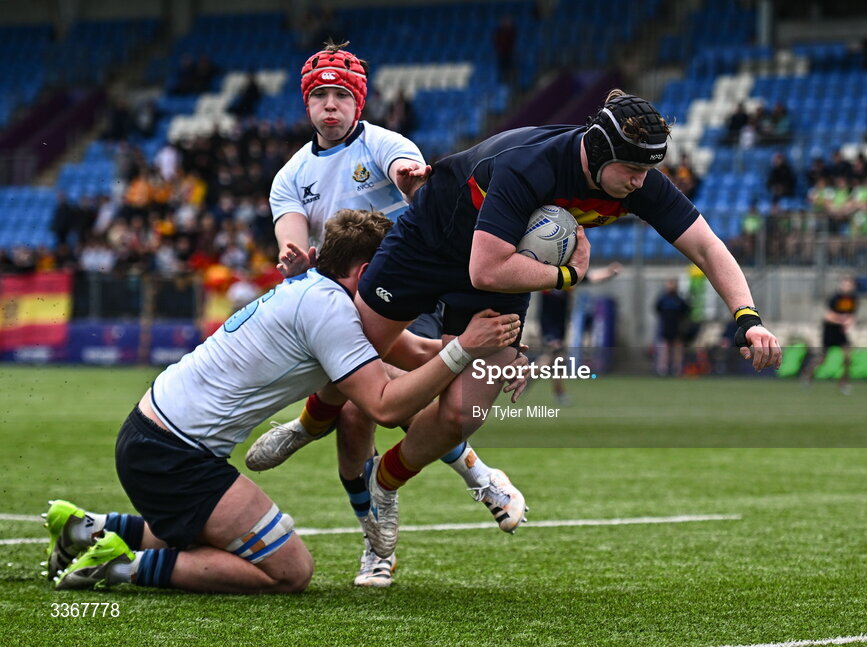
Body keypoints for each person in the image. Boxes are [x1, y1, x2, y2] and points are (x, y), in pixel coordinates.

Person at [343, 89, 782, 559]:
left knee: (461, 416)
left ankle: (383, 484)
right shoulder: (532, 164)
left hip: (499, 267)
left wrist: (748, 317)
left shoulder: (637, 178)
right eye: (633, 171)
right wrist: (569, 275)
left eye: (646, 171)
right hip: (432, 242)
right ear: (597, 152)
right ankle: (308, 424)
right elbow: (485, 268)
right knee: (353, 355)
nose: (640, 183)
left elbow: (707, 247)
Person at [44, 209, 521, 593]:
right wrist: (463, 349)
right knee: (290, 571)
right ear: (367, 272)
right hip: (175, 455)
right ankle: (121, 567)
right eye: (397, 270)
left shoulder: (320, 293)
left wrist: (495, 358)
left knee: (196, 529)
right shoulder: (330, 312)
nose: (405, 281)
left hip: (155, 436)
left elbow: (418, 352)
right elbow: (385, 406)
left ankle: (88, 528)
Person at [248, 42, 526, 588]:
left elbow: (406, 169)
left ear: (358, 103)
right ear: (307, 104)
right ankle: (394, 526)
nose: (331, 105)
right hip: (332, 302)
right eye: (320, 96)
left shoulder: (384, 143)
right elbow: (290, 230)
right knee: (368, 414)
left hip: (404, 295)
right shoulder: (291, 174)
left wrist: (409, 179)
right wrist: (291, 253)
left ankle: (312, 429)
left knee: (369, 410)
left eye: (340, 96)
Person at [536, 262, 622, 404]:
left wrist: (609, 272)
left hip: (561, 325)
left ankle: (544, 386)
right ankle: (529, 379)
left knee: (555, 360)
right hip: (549, 325)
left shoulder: (568, 277)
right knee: (556, 358)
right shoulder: (547, 276)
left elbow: (591, 278)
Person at [802, 275, 857, 394]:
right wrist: (841, 320)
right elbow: (827, 316)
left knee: (848, 357)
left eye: (849, 284)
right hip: (830, 331)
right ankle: (808, 374)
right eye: (845, 284)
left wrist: (848, 322)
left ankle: (844, 383)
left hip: (841, 332)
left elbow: (851, 315)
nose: (847, 287)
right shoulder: (835, 298)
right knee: (822, 359)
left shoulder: (853, 299)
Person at [653, 278, 691, 377]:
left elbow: (686, 311)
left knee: (677, 348)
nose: (670, 286)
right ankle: (662, 369)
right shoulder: (663, 299)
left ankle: (676, 369)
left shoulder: (679, 300)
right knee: (664, 349)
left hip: (677, 328)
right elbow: (657, 309)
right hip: (665, 327)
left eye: (672, 284)